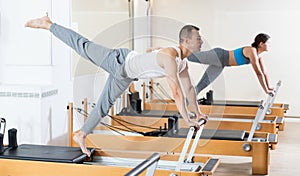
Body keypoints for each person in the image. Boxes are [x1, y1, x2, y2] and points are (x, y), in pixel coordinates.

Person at [25, 16, 207, 157]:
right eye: (198, 38)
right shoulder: (170, 56)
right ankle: (49, 24)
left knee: (104, 105)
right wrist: (187, 119)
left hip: (126, 76)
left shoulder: (183, 63)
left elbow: (189, 89)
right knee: (84, 46)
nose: (201, 42)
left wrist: (197, 113)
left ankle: (81, 134)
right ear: (185, 41)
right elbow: (176, 92)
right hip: (118, 61)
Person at [187, 33, 274, 96]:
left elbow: (264, 73)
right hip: (219, 56)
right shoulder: (252, 51)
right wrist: (266, 90)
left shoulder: (259, 57)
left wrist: (269, 87)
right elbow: (259, 73)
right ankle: (177, 51)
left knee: (201, 85)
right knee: (190, 57)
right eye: (268, 43)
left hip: (221, 64)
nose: (270, 45)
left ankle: (183, 104)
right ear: (261, 44)